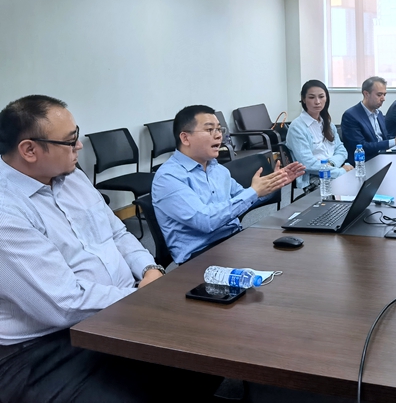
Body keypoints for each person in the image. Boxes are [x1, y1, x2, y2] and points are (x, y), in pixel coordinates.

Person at [0, 95, 222, 401]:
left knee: (211, 350)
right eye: (70, 141)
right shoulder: (7, 211)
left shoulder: (71, 178)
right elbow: (63, 304)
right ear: (29, 150)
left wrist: (150, 269)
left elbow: (117, 232)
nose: (79, 146)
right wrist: (145, 297)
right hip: (44, 347)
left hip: (119, 308)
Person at [153, 105, 303, 265]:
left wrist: (271, 185)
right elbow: (206, 221)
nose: (219, 135)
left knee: (293, 260)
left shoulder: (217, 169)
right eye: (209, 130)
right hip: (200, 256)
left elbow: (243, 199)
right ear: (185, 138)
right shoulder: (168, 177)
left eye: (219, 129)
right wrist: (253, 192)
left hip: (233, 240)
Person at [285, 79, 351, 190]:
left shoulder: (327, 123)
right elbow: (308, 164)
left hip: (334, 170)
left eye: (321, 97)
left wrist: (331, 164)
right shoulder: (297, 127)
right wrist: (341, 172)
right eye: (311, 97)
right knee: (353, 188)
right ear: (303, 99)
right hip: (314, 177)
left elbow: (341, 150)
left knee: (363, 182)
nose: (317, 102)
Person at [340, 76, 396, 165]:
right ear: (366, 94)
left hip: (382, 158)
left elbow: (385, 138)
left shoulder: (379, 114)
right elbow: (361, 147)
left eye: (384, 94)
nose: (383, 99)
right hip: (365, 163)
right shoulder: (351, 116)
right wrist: (394, 141)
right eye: (379, 95)